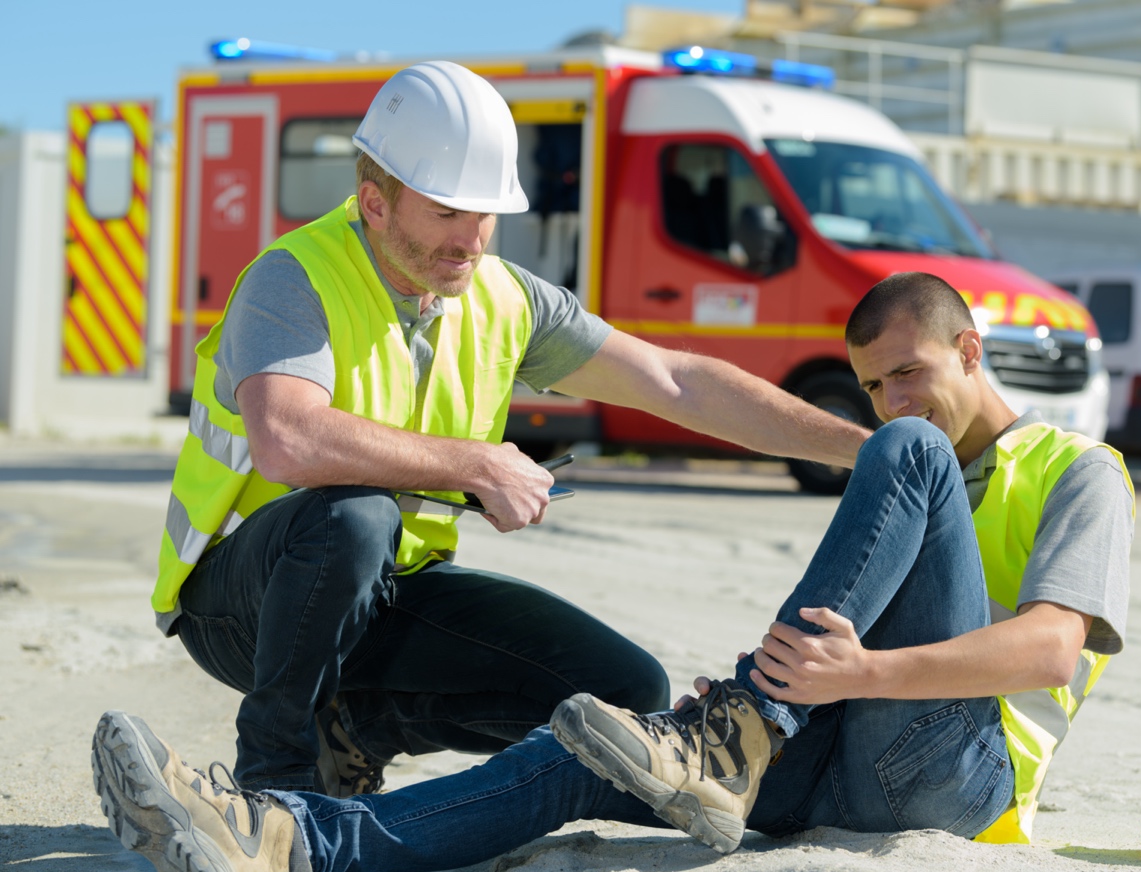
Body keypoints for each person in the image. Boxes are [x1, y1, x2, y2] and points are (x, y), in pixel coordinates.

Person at [94, 272, 1135, 872]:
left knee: (903, 454)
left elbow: (1049, 648)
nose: (891, 401)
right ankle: (284, 840)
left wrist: (854, 673)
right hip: (834, 766)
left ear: (970, 350)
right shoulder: (910, 468)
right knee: (588, 745)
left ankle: (741, 730)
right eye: (871, 386)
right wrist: (808, 687)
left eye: (908, 373)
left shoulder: (1075, 468)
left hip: (959, 778)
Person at [149, 60, 868, 801]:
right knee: (353, 517)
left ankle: (357, 731)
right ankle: (273, 785)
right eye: (447, 213)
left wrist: (862, 448)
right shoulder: (293, 275)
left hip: (387, 589)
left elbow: (675, 381)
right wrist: (477, 464)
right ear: (374, 203)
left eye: (486, 214)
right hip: (241, 607)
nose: (472, 240)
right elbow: (288, 439)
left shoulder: (505, 297)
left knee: (623, 691)